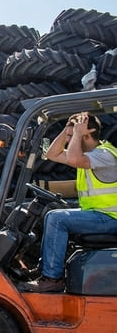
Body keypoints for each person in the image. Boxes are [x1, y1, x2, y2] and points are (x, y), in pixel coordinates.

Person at [19, 112, 117, 293]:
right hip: (100, 214)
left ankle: (52, 278)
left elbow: (72, 158)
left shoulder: (103, 155)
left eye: (74, 136)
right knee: (52, 212)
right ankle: (45, 270)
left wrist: (77, 133)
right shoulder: (90, 155)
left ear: (88, 134)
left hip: (110, 219)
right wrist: (67, 130)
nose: (70, 140)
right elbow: (51, 154)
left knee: (57, 219)